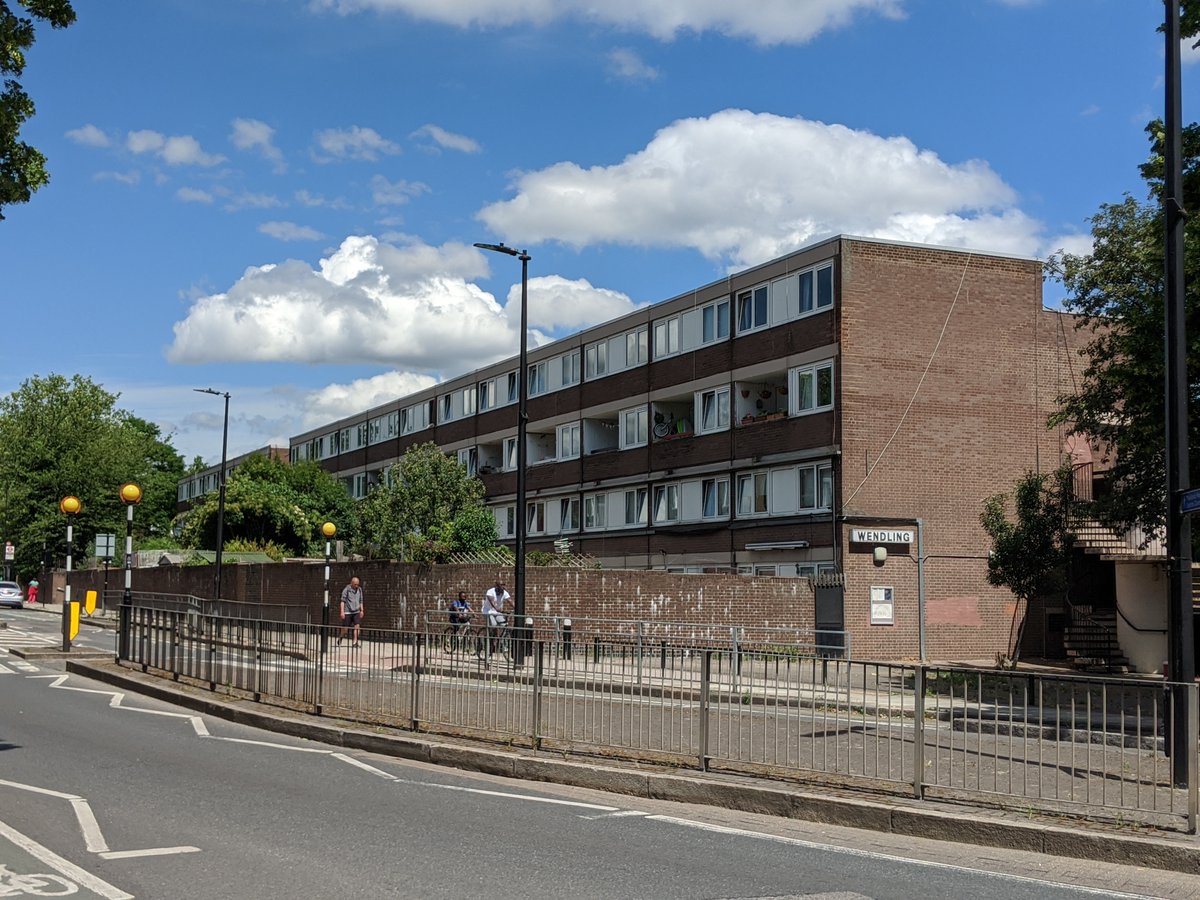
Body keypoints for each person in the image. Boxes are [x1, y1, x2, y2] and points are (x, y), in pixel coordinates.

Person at [338, 576, 364, 648]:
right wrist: (342, 611)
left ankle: (354, 642)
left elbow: (361, 600)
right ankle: (341, 636)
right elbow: (342, 601)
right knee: (345, 629)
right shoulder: (346, 590)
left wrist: (362, 610)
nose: (357, 586)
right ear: (352, 583)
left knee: (357, 626)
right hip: (348, 611)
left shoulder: (359, 590)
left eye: (358, 584)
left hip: (356, 611)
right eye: (355, 584)